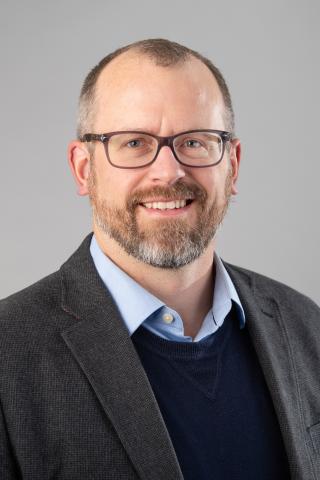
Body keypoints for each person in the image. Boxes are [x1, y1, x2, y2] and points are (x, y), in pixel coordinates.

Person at [0, 38, 319, 480]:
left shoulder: (306, 326)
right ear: (83, 169)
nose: (169, 171)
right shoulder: (8, 354)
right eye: (133, 143)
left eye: (195, 141)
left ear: (234, 165)